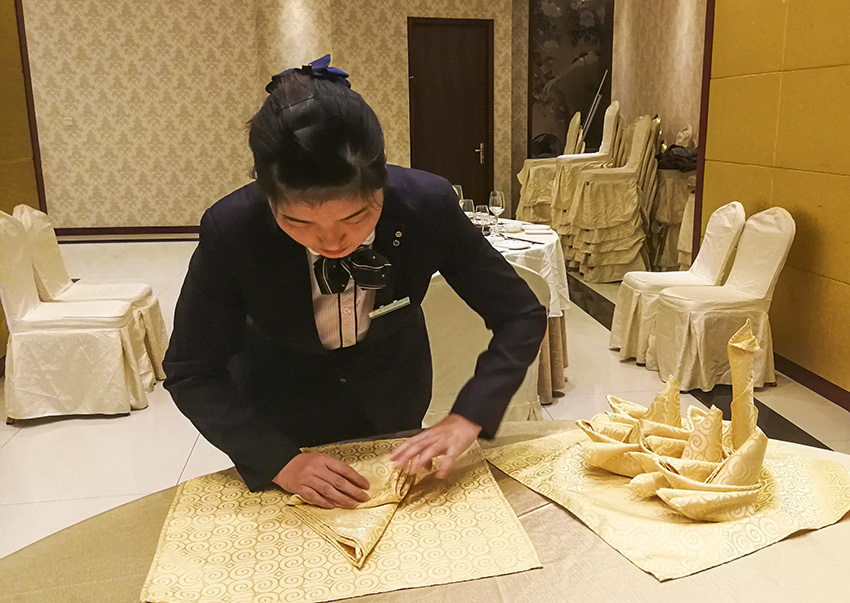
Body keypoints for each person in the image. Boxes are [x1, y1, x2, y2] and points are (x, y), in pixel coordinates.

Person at [163, 55, 547, 510]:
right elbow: (191, 370)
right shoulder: (232, 229)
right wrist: (279, 460)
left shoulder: (427, 206)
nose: (331, 242)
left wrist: (471, 413)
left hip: (394, 403)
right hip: (279, 415)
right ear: (268, 197)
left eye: (355, 217)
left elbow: (520, 314)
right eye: (298, 222)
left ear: (382, 182)